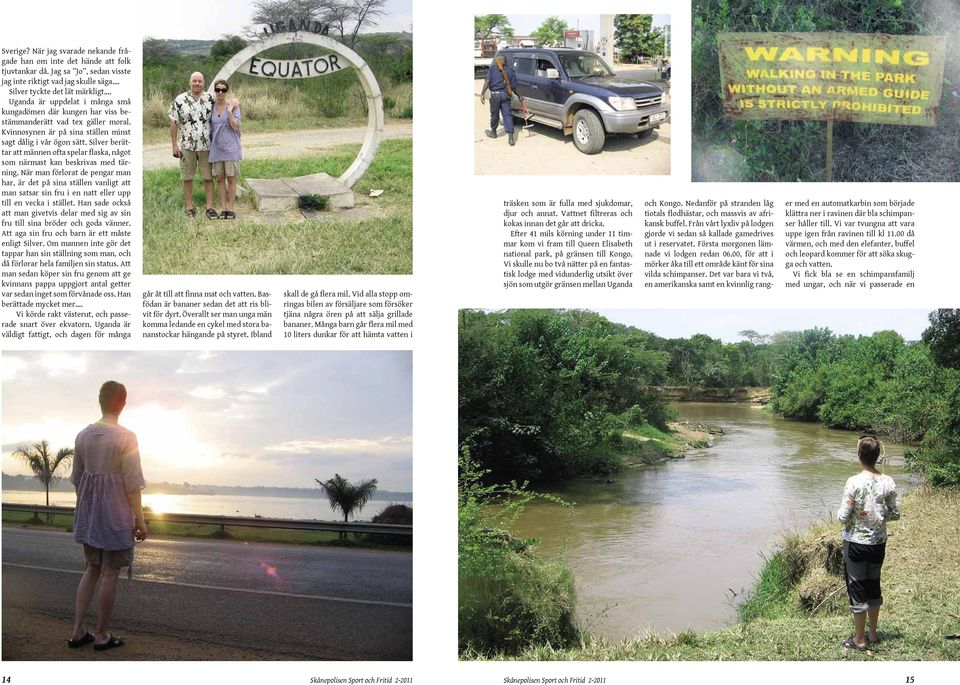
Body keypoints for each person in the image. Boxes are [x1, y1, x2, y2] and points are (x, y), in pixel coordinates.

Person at [67, 381, 147, 652]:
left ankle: (77, 631)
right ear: (123, 403)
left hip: (90, 516)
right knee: (110, 572)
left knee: (91, 569)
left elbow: (78, 480)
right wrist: (141, 520)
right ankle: (102, 635)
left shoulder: (82, 436)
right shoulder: (126, 437)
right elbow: (132, 484)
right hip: (115, 517)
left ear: (99, 401)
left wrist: (87, 512)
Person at [837, 435, 900, 651]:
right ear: (877, 456)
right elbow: (895, 513)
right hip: (878, 542)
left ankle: (859, 639)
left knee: (857, 587)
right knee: (874, 585)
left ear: (859, 456)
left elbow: (843, 517)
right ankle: (872, 634)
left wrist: (855, 512)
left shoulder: (853, 482)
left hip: (855, 543)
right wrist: (878, 515)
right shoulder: (888, 482)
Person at [169, 72, 217, 219]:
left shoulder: (210, 98)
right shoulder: (180, 100)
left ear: (203, 83)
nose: (197, 84)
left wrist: (234, 103)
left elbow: (221, 110)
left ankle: (209, 207)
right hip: (187, 146)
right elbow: (173, 122)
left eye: (200, 81)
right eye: (194, 81)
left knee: (208, 177)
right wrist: (174, 145)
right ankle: (189, 208)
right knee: (187, 177)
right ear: (190, 82)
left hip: (206, 146)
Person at [208, 80, 242, 220]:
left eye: (223, 90)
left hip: (231, 148)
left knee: (231, 178)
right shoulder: (210, 107)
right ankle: (223, 208)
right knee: (220, 179)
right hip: (216, 148)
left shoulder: (233, 107)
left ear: (227, 91)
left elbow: (236, 127)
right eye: (218, 89)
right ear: (215, 91)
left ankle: (231, 208)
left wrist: (229, 112)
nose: (220, 92)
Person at [480, 55, 518, 146]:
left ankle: (493, 132)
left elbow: (487, 82)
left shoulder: (492, 69)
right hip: (505, 96)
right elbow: (514, 87)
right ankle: (511, 138)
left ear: (497, 61)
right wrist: (519, 96)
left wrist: (482, 93)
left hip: (495, 95)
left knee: (494, 114)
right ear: (505, 61)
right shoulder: (510, 70)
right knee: (507, 115)